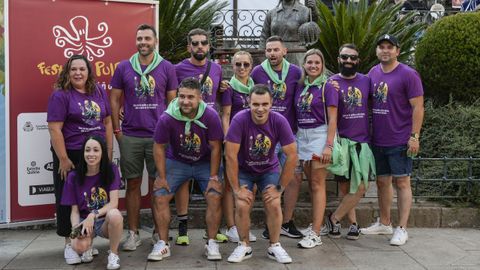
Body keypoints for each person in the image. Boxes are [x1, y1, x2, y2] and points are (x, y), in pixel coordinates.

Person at [110, 24, 178, 251]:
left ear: (155, 41)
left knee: (159, 185)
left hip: (158, 138)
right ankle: (133, 233)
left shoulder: (167, 67)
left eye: (147, 38)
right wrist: (117, 131)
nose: (143, 42)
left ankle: (160, 234)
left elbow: (172, 103)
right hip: (130, 135)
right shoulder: (123, 67)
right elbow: (114, 100)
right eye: (139, 38)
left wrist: (169, 133)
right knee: (132, 184)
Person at [47, 54, 113, 265]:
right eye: (73, 69)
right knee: (69, 199)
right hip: (73, 154)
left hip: (96, 153)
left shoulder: (99, 91)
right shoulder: (61, 95)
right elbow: (54, 128)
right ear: (67, 72)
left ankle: (86, 243)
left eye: (82, 69)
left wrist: (109, 153)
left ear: (88, 72)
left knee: (92, 198)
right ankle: (70, 243)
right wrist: (64, 159)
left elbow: (108, 122)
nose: (78, 73)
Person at [150, 77, 224, 261]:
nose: (185, 101)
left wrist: (214, 176)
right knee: (160, 195)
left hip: (204, 162)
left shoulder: (211, 115)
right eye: (181, 96)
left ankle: (212, 242)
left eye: (190, 97)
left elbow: (216, 147)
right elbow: (158, 146)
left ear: (200, 97)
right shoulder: (167, 117)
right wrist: (161, 176)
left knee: (214, 194)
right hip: (178, 161)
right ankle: (163, 243)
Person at [361, 34, 424, 246]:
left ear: (397, 50)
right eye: (381, 47)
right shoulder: (373, 73)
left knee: (402, 182)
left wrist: (414, 136)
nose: (385, 50)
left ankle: (402, 228)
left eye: (389, 47)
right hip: (378, 139)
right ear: (377, 51)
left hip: (400, 139)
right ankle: (385, 222)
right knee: (382, 182)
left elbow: (418, 107)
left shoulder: (408, 74)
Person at [225, 84, 298, 264]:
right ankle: (244, 245)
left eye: (265, 104)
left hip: (268, 169)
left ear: (271, 103)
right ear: (249, 102)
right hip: (244, 169)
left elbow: (292, 155)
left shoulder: (279, 120)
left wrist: (280, 188)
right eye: (256, 104)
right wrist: (236, 189)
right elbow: (230, 155)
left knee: (273, 203)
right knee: (242, 203)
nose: (260, 109)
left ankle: (274, 246)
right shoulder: (239, 120)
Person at [173, 28, 226, 245]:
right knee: (184, 179)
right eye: (195, 43)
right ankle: (183, 227)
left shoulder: (216, 69)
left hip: (209, 131)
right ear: (189, 47)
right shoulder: (177, 69)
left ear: (208, 46)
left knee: (213, 180)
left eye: (204, 43)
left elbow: (219, 96)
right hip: (184, 130)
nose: (200, 47)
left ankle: (213, 228)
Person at [251, 35, 303, 239]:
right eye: (268, 50)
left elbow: (302, 98)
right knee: (269, 179)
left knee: (294, 178)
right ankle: (270, 223)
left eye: (275, 50)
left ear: (284, 52)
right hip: (266, 137)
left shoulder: (296, 72)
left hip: (289, 135)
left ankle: (287, 222)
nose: (272, 53)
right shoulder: (258, 72)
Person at [324, 44, 376, 241]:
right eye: (344, 57)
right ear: (339, 58)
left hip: (362, 142)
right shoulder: (331, 82)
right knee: (346, 188)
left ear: (358, 61)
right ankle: (352, 224)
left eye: (352, 58)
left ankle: (333, 217)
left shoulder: (366, 81)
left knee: (361, 186)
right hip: (343, 142)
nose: (348, 61)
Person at [293, 49, 337, 249]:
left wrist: (328, 145)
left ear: (322, 65)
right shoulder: (302, 86)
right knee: (311, 184)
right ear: (304, 65)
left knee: (318, 184)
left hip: (320, 136)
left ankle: (316, 234)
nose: (313, 66)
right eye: (309, 62)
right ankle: (315, 224)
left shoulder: (328, 86)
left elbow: (333, 118)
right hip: (303, 136)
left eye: (317, 63)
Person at [61, 136, 123, 269]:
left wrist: (93, 215)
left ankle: (113, 254)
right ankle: (88, 245)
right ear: (83, 153)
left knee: (115, 214)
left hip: (103, 220)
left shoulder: (111, 169)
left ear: (102, 153)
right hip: (84, 221)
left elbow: (113, 203)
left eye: (96, 150)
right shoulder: (73, 176)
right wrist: (76, 229)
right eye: (87, 150)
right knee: (78, 246)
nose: (91, 154)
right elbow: (75, 211)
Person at [220, 51, 257, 243]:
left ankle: (244, 224)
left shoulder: (255, 88)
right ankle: (231, 227)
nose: (241, 68)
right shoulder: (228, 88)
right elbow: (225, 115)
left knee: (250, 185)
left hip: (251, 142)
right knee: (230, 185)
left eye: (245, 64)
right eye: (238, 64)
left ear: (251, 66)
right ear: (232, 66)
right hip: (235, 142)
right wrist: (228, 140)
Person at [260, 0, 318, 65]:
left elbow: (313, 28)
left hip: (297, 54)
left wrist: (313, 11)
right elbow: (264, 36)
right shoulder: (272, 13)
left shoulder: (304, 11)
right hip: (276, 53)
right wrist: (261, 56)